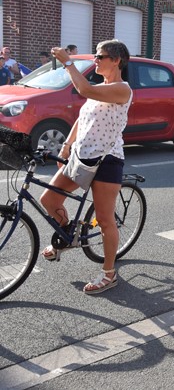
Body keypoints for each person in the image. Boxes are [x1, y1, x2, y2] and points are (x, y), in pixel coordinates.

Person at [39, 40, 133, 294]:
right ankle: (68, 234)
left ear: (116, 60)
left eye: (100, 56)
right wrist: (67, 144)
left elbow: (85, 90)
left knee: (104, 219)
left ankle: (109, 273)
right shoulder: (99, 87)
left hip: (107, 160)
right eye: (95, 55)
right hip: (81, 156)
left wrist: (68, 62)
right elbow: (82, 118)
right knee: (48, 200)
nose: (96, 60)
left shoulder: (122, 89)